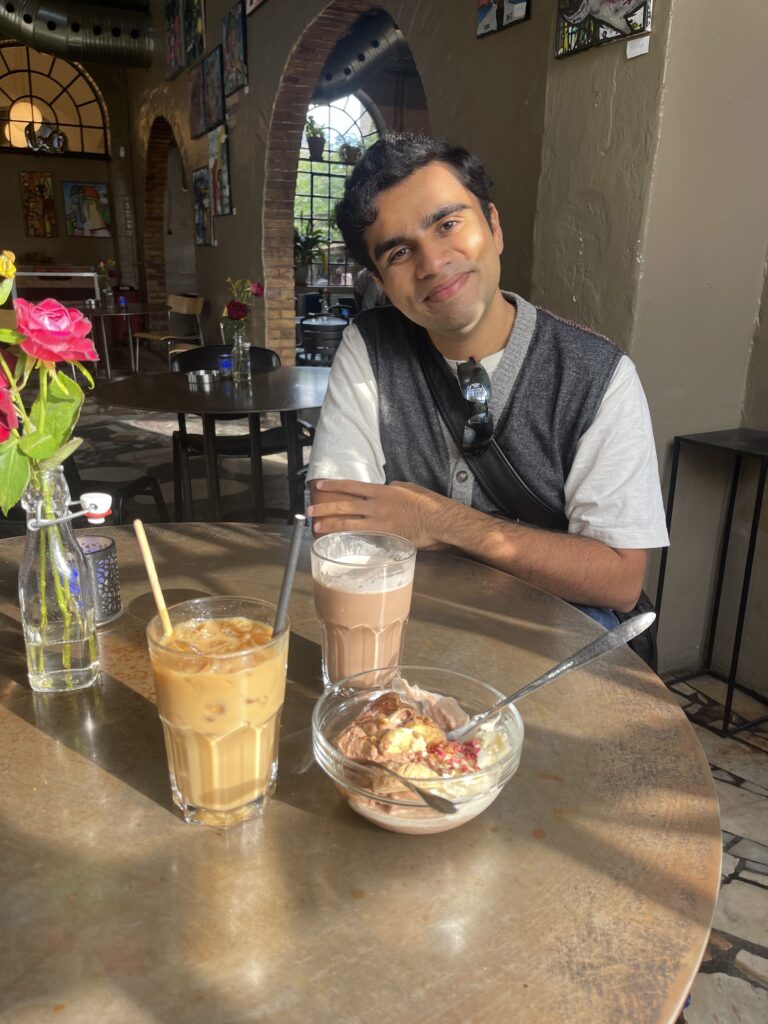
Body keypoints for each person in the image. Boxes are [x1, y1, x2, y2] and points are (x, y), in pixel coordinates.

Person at [307, 132, 668, 627]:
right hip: (412, 635)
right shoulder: (370, 346)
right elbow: (340, 524)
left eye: (448, 224)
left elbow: (621, 582)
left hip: (549, 653)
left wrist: (437, 522)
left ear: (493, 226)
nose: (433, 264)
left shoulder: (598, 377)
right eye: (398, 254)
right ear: (381, 283)